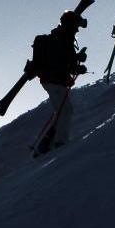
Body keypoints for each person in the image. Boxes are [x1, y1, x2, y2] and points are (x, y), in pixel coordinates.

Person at [29, 10, 88, 156]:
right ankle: (59, 142)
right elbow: (63, 62)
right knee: (66, 110)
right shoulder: (64, 39)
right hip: (54, 80)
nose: (77, 29)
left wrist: (77, 63)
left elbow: (64, 62)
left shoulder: (59, 37)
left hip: (51, 80)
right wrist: (78, 66)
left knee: (62, 111)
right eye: (76, 26)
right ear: (70, 24)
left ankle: (44, 144)